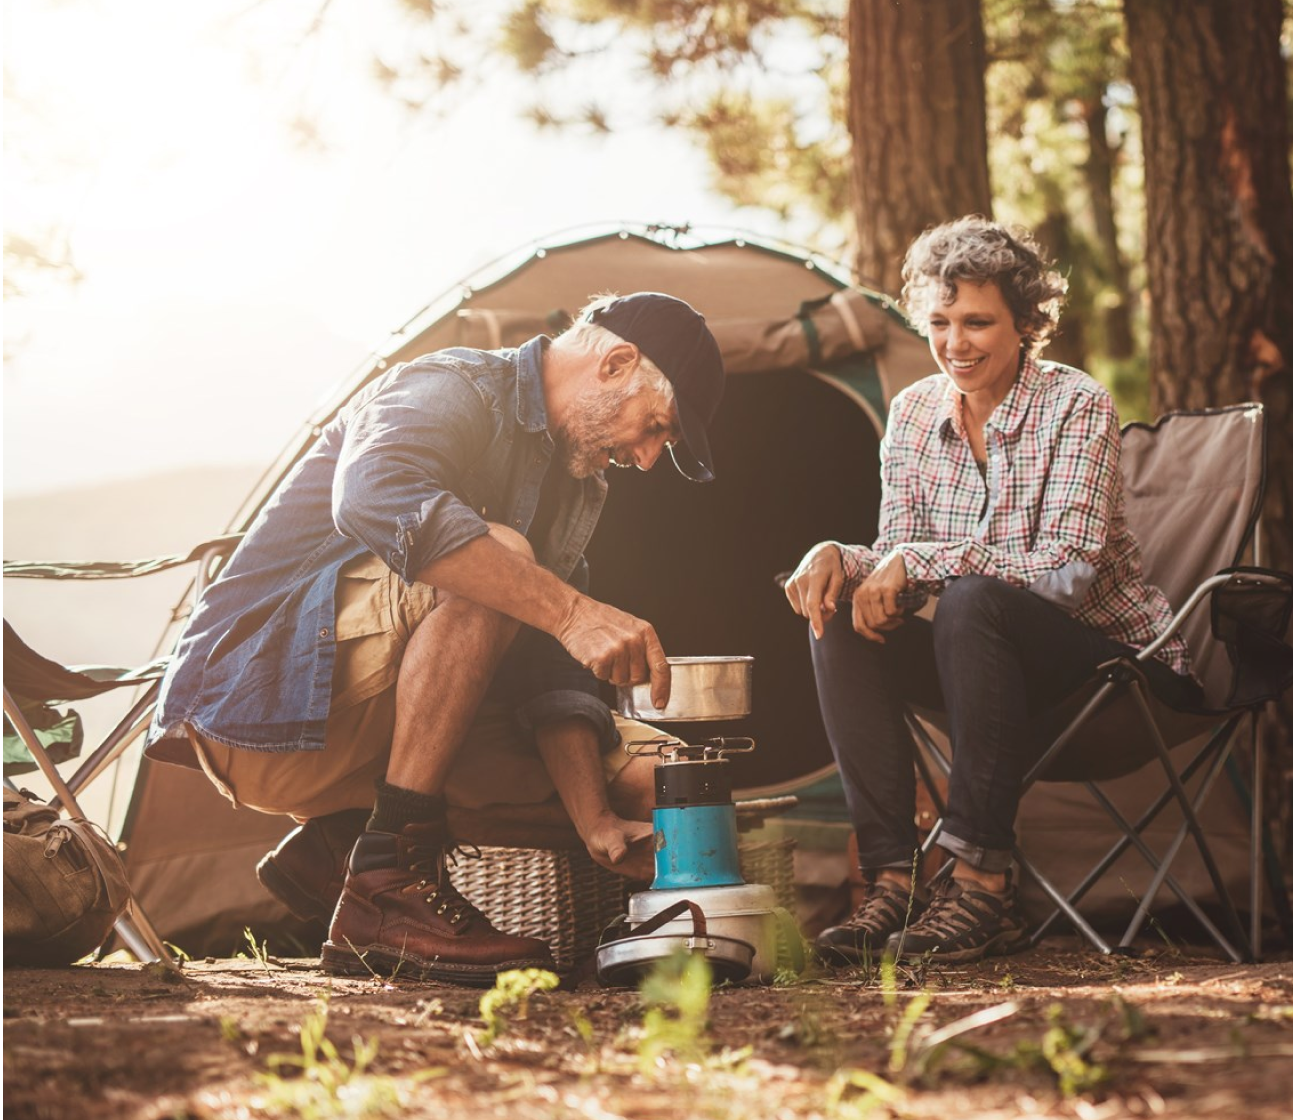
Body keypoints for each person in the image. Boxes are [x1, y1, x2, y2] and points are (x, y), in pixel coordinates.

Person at [149, 292, 726, 984]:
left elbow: (549, 667)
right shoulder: (450, 386)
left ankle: (351, 843)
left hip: (401, 727)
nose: (648, 457)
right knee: (500, 554)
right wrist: (572, 610)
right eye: (656, 427)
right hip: (265, 704)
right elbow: (372, 495)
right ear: (615, 363)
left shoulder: (575, 487)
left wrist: (596, 820)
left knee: (667, 777)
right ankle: (384, 878)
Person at [784, 217, 1196, 964]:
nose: (955, 344)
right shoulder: (910, 416)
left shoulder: (1075, 403)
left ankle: (980, 887)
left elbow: (1066, 570)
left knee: (971, 597)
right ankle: (891, 879)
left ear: (1027, 323)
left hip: (1101, 668)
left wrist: (921, 564)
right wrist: (840, 560)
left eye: (977, 322)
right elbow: (896, 553)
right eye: (939, 323)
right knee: (840, 614)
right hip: (975, 661)